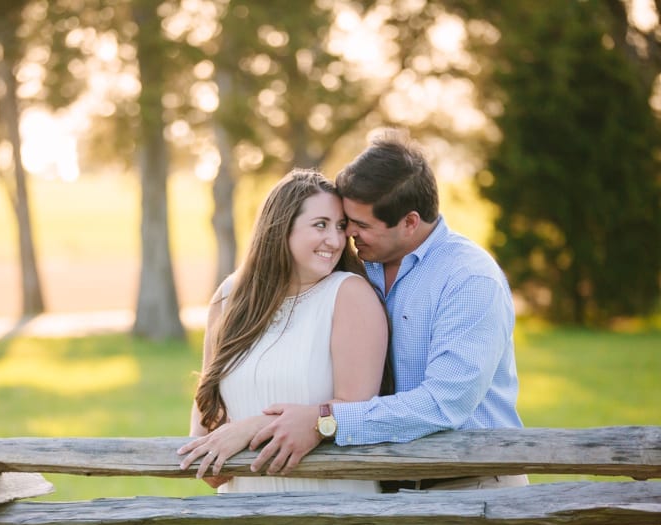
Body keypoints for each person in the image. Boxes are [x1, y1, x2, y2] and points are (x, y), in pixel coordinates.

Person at [245, 128, 528, 493]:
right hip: (388, 486)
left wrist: (324, 421)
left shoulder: (470, 280)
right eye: (348, 223)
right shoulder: (356, 267)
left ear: (410, 222)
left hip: (470, 483)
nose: (349, 236)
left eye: (362, 226)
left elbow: (443, 404)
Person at [177, 168, 390, 494]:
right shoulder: (229, 297)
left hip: (331, 508)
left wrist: (251, 429)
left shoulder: (348, 294)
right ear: (281, 227)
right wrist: (210, 449)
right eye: (320, 225)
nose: (334, 241)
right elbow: (205, 428)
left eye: (340, 227)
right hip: (244, 512)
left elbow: (358, 410)